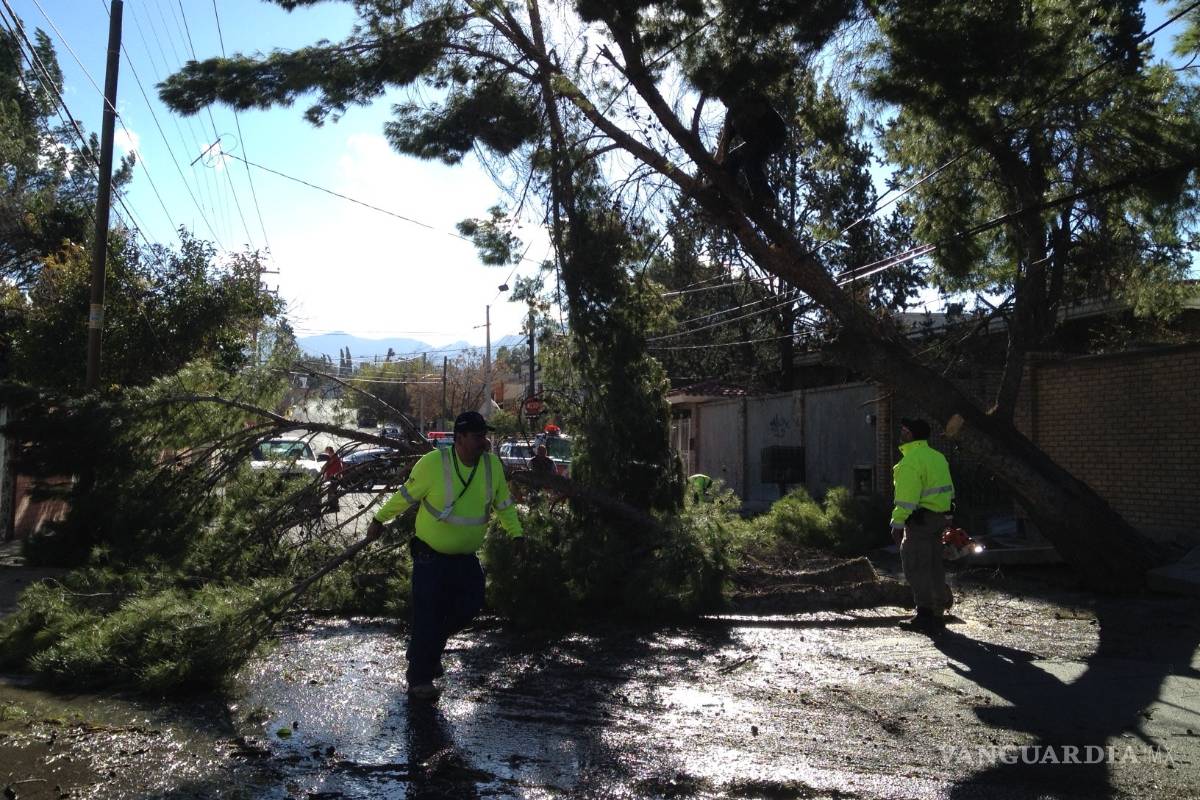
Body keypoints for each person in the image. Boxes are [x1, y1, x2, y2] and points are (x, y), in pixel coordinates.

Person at [366, 411, 524, 700]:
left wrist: (517, 534)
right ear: (459, 438)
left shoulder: (491, 466)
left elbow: (503, 504)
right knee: (428, 615)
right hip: (430, 556)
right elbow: (405, 496)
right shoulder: (433, 464)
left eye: (484, 436)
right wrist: (379, 519)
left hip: (465, 557)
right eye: (477, 436)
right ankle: (419, 679)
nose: (484, 442)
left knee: (470, 606)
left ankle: (425, 648)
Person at [890, 418, 955, 634]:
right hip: (939, 519)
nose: (901, 433)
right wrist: (948, 517)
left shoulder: (909, 462)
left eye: (903, 430)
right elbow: (949, 490)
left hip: (920, 522)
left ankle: (924, 614)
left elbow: (905, 500)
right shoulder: (938, 457)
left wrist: (897, 524)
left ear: (910, 434)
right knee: (935, 566)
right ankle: (937, 613)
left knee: (916, 566)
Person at [714, 91, 787, 203]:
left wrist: (748, 113)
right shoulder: (731, 116)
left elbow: (764, 111)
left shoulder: (748, 99)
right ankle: (724, 190)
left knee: (750, 161)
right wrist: (724, 160)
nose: (724, 102)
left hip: (773, 135)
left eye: (725, 98)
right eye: (722, 100)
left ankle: (764, 196)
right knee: (732, 159)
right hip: (755, 141)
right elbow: (726, 139)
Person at [321, 446, 344, 513]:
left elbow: (329, 466)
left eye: (327, 452)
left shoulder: (334, 457)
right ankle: (332, 506)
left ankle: (334, 507)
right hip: (333, 477)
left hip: (335, 477)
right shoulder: (333, 457)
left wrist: (324, 470)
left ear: (329, 451)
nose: (327, 453)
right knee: (332, 491)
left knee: (332, 492)